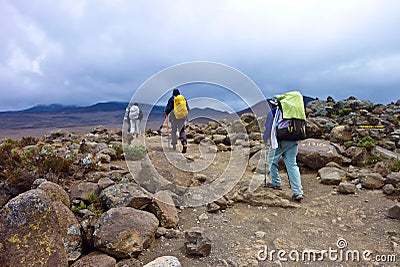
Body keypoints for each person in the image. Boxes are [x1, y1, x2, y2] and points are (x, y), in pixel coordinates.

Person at [263, 95, 304, 202]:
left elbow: (268, 128)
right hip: (293, 140)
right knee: (292, 165)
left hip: (279, 141)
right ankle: (297, 192)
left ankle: (276, 183)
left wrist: (264, 139)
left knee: (272, 161)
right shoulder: (293, 112)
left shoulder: (273, 112)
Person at [164, 88, 189, 153]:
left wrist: (166, 113)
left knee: (174, 130)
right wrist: (185, 116)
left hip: (174, 117)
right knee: (182, 130)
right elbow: (187, 108)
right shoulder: (183, 99)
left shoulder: (172, 99)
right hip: (182, 117)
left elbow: (168, 108)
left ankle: (174, 145)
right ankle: (184, 143)